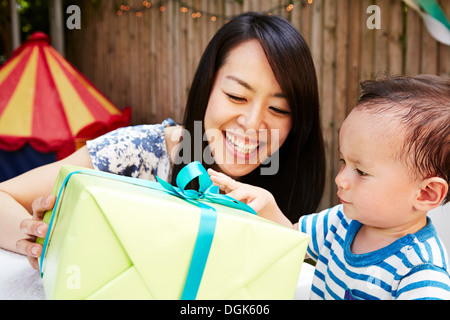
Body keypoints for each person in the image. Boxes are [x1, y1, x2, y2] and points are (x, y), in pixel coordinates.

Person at [0, 12, 326, 270]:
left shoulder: (284, 177)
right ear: (207, 88)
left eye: (278, 108)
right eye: (236, 96)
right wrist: (37, 240)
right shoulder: (137, 152)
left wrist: (285, 233)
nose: (254, 123)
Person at [208, 74, 450, 300]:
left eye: (361, 172)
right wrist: (266, 203)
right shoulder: (341, 220)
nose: (340, 179)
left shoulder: (421, 274)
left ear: (427, 193)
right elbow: (294, 243)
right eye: (343, 162)